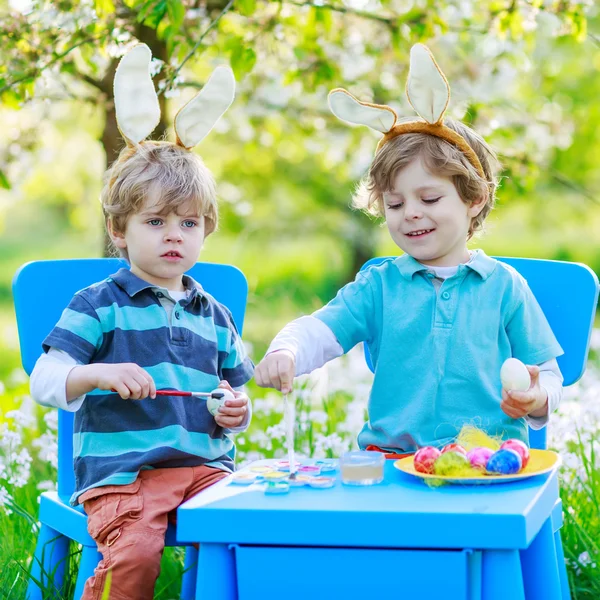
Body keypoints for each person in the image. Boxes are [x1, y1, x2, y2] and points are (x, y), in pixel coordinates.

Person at [255, 44, 563, 457]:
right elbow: (322, 329)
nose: (410, 214)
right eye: (395, 204)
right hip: (392, 460)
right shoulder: (379, 286)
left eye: (429, 199)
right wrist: (287, 349)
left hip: (486, 462)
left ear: (473, 199)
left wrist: (538, 398)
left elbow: (547, 374)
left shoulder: (504, 287)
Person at [29, 45, 253, 600]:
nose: (174, 234)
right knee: (134, 555)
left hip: (206, 473)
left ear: (206, 230)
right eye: (155, 221)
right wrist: (96, 376)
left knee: (254, 534)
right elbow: (45, 380)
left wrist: (234, 410)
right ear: (120, 229)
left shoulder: (214, 312)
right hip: (125, 477)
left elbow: (233, 398)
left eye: (188, 222)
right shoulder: (100, 303)